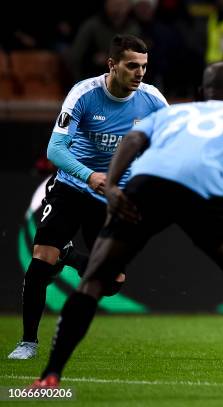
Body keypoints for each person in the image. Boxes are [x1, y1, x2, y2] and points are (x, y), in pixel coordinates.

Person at [31, 61, 223, 398]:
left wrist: (115, 188)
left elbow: (132, 141)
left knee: (93, 280)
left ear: (200, 93)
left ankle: (50, 376)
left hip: (146, 187)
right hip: (203, 192)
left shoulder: (171, 113)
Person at [7, 34, 168, 360]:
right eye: (132, 66)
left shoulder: (152, 100)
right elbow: (55, 150)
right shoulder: (84, 94)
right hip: (72, 185)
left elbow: (173, 141)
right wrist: (89, 175)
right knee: (41, 260)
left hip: (112, 197)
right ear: (112, 65)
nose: (140, 73)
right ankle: (28, 342)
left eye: (144, 67)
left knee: (112, 283)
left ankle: (70, 257)